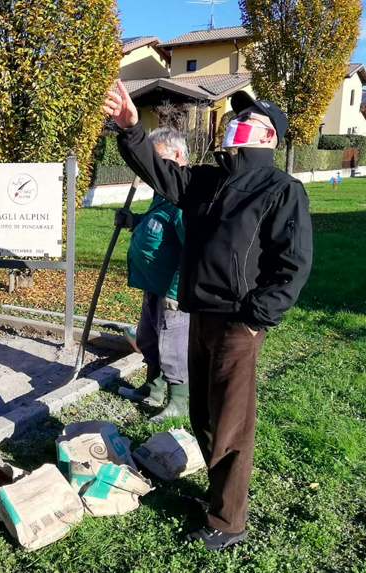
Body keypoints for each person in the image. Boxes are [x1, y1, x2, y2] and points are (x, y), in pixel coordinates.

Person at [103, 82, 312, 550]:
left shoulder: (281, 189)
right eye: (237, 115)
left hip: (237, 323)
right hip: (198, 314)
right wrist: (132, 129)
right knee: (204, 414)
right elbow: (159, 171)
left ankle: (228, 522)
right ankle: (219, 495)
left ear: (269, 136)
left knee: (232, 425)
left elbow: (293, 265)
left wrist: (255, 318)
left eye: (249, 117)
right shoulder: (208, 180)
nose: (236, 121)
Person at [114, 127, 189, 422]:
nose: (151, 167)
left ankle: (178, 402)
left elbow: (191, 248)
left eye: (157, 159)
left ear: (177, 155)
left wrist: (176, 290)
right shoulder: (163, 192)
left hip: (172, 290)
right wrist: (133, 221)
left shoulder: (183, 197)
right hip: (152, 284)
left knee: (172, 345)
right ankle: (152, 389)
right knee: (148, 337)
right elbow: (157, 224)